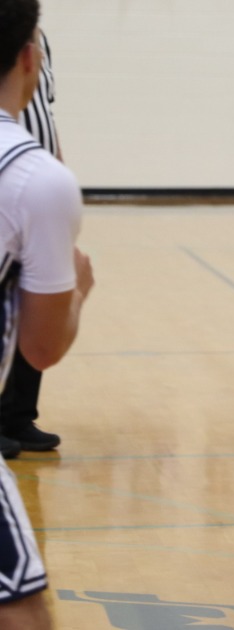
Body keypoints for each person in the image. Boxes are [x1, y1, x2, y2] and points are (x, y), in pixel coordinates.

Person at [0, 0, 94, 625]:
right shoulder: (37, 181)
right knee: (25, 612)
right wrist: (77, 290)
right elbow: (42, 347)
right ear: (30, 57)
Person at [1, 25, 61, 460]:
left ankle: (16, 415)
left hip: (38, 187)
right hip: (8, 183)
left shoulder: (42, 40)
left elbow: (48, 113)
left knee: (34, 299)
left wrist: (60, 170)